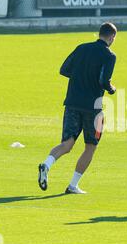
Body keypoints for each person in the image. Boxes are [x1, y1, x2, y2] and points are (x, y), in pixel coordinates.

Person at [38, 22, 118, 194]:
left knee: (66, 144)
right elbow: (104, 81)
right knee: (90, 146)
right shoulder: (109, 55)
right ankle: (73, 185)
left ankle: (47, 164)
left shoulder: (81, 48)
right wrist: (112, 89)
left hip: (72, 103)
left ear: (99, 34)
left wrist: (80, 77)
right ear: (112, 37)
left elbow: (64, 69)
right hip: (93, 108)